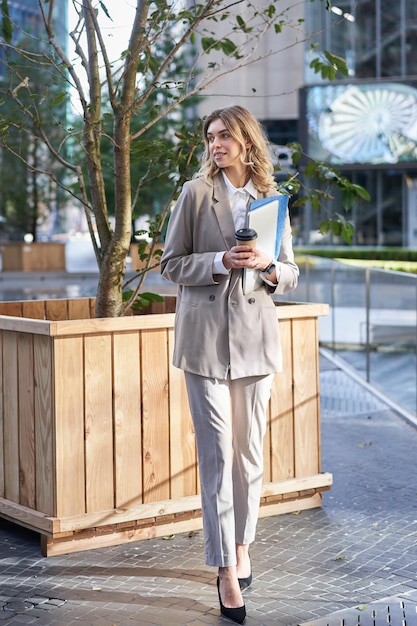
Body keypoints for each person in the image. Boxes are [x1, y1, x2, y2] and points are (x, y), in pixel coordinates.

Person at [160, 105, 299, 624]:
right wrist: (220, 261)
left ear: (246, 141)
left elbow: (291, 272)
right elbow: (170, 264)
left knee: (249, 456)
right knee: (218, 456)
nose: (215, 144)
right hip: (203, 343)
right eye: (211, 137)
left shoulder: (272, 201)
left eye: (224, 136)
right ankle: (223, 570)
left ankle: (242, 547)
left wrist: (267, 266)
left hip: (256, 342)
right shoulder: (195, 195)